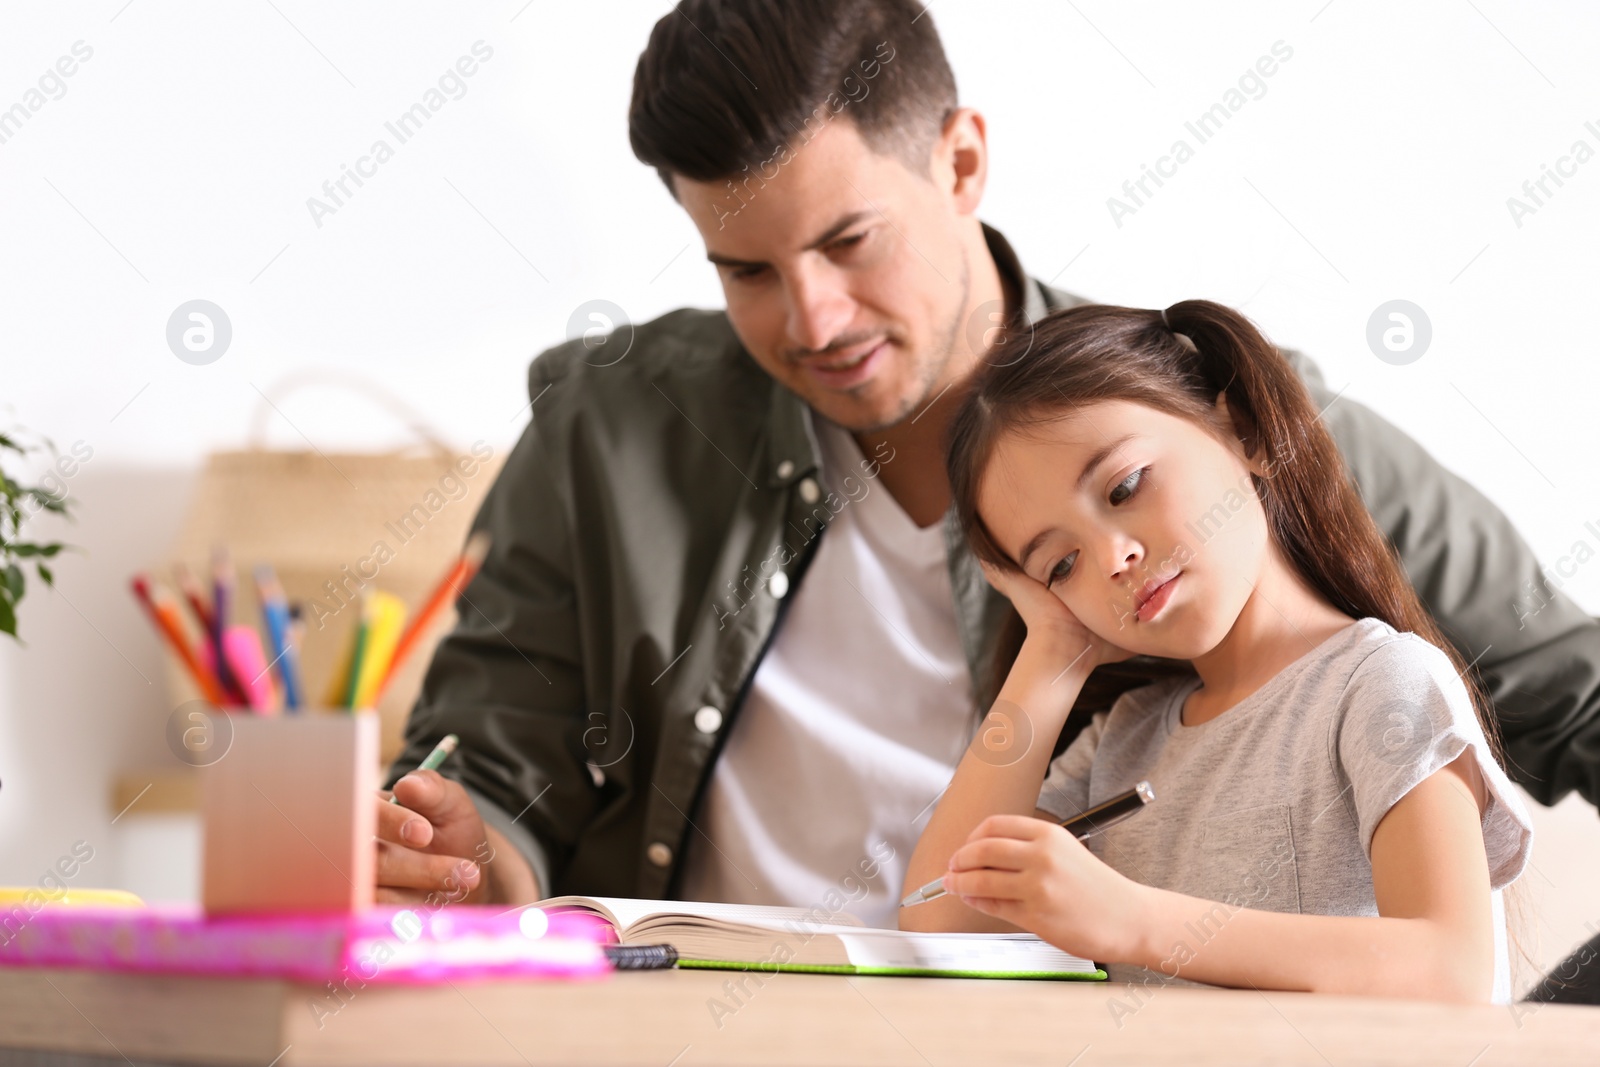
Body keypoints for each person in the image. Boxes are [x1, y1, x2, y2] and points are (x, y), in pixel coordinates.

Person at [372, 0, 1598, 975]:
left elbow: (1573, 691)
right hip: (690, 1016)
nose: (812, 318)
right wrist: (467, 860)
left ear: (960, 161)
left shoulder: (1201, 423)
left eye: (850, 242)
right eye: (746, 269)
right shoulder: (608, 423)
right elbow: (490, 768)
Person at [899, 300, 1534, 1003]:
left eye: (1124, 486)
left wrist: (1136, 920)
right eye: (1059, 565)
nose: (1113, 557)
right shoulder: (1125, 738)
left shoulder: (1379, 683)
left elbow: (1454, 969)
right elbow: (939, 925)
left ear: (1244, 430)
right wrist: (1050, 650)